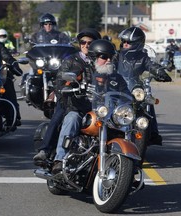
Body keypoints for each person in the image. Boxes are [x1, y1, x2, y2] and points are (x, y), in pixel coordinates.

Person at [51, 39, 130, 174]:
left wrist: (133, 100)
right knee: (72, 118)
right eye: (104, 57)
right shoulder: (82, 71)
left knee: (128, 126)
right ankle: (60, 159)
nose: (108, 60)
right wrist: (68, 87)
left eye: (111, 57)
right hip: (83, 110)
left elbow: (127, 96)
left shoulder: (117, 78)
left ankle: (129, 168)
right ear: (93, 58)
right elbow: (65, 83)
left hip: (108, 114)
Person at [33, 28, 101, 165]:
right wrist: (66, 88)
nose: (86, 45)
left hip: (98, 105)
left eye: (90, 43)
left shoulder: (102, 61)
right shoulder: (71, 60)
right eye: (83, 42)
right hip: (73, 102)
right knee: (63, 116)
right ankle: (50, 153)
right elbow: (59, 81)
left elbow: (115, 78)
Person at [113, 26, 172, 146]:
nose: (124, 44)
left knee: (148, 102)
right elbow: (109, 66)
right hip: (118, 87)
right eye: (123, 41)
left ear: (137, 44)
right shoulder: (117, 56)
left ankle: (153, 132)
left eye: (128, 42)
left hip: (134, 87)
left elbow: (151, 65)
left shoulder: (142, 58)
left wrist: (160, 72)